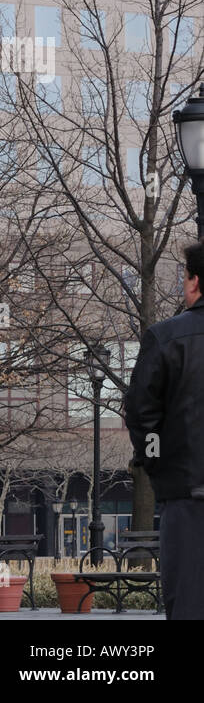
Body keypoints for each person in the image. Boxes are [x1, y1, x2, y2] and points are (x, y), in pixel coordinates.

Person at [125, 239, 204, 620]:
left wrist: (155, 460)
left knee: (187, 600)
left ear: (194, 282)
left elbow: (143, 415)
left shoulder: (166, 337)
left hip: (187, 493)